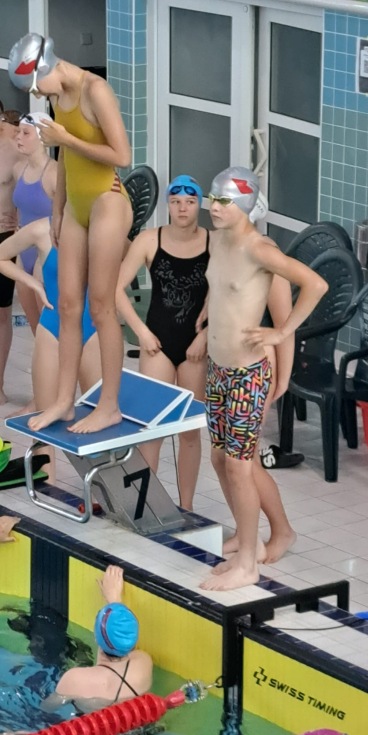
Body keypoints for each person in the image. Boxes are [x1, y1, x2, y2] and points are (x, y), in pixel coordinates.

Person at [200, 166, 327, 591]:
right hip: (218, 369)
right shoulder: (218, 239)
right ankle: (249, 537)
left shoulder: (260, 249)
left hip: (247, 375)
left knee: (240, 467)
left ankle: (248, 565)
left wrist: (281, 333)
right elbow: (222, 290)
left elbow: (315, 285)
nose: (214, 207)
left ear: (245, 206)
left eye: (223, 201)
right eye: (212, 199)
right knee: (221, 460)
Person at [9, 32, 133, 434]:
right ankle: (64, 401)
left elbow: (122, 155)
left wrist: (66, 137)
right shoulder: (57, 97)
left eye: (35, 85)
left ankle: (109, 405)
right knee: (66, 305)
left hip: (107, 203)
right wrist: (59, 209)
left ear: (47, 67)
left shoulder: (95, 91)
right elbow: (65, 158)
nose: (36, 94)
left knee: (101, 307)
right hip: (76, 207)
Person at [116, 175, 209, 511]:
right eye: (176, 202)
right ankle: (144, 506)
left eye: (190, 202)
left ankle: (187, 507)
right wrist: (141, 332)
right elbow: (116, 289)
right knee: (151, 428)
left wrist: (205, 335)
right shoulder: (148, 240)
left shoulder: (214, 244)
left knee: (189, 433)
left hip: (195, 348)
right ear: (168, 205)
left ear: (199, 205)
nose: (183, 208)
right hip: (157, 342)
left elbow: (227, 292)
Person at [0, 218, 101, 481]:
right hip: (52, 327)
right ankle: (47, 486)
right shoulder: (40, 230)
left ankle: (103, 487)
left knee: (98, 417)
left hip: (91, 329)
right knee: (43, 419)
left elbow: (128, 261)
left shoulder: (100, 227)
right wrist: (33, 284)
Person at [44, 565, 152, 711]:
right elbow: (124, 634)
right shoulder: (143, 663)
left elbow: (46, 709)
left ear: (96, 637)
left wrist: (112, 600)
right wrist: (115, 600)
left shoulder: (74, 679)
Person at [12, 112, 57, 334]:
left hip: (46, 252)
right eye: (18, 132)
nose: (18, 137)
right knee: (34, 328)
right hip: (24, 252)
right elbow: (21, 207)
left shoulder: (55, 173)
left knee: (49, 327)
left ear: (42, 137)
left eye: (25, 133)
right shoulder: (18, 169)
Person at [0, 104, 25, 405]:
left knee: (1, 313)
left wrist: (22, 220)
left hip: (4, 236)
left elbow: (38, 181)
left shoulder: (16, 141)